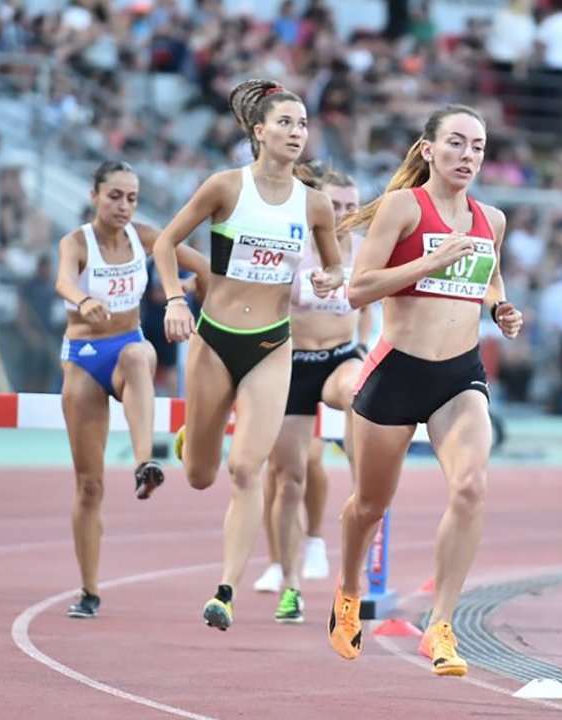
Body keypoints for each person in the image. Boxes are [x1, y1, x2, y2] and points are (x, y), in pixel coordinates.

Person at [326, 105, 524, 676]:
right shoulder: (403, 208)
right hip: (396, 373)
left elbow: (489, 279)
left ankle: (440, 626)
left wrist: (500, 308)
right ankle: (349, 588)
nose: (468, 155)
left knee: (471, 487)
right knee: (369, 505)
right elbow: (359, 290)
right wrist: (428, 262)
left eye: (478, 147)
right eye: (456, 143)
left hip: (458, 376)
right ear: (428, 149)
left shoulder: (492, 219)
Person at [151, 80, 345, 631]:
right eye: (285, 122)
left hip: (271, 345)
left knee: (245, 470)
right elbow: (164, 243)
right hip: (214, 340)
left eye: (303, 124)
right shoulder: (225, 187)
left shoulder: (314, 204)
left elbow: (333, 265)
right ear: (259, 131)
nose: (296, 132)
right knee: (200, 475)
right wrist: (175, 300)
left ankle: (225, 591)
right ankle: (194, 437)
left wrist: (330, 278)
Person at [54, 160, 210, 619]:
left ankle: (145, 462)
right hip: (84, 356)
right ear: (94, 196)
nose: (124, 206)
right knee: (89, 485)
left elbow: (204, 266)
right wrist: (83, 299)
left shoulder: (146, 238)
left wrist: (190, 290)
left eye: (132, 198)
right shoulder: (76, 242)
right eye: (115, 196)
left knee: (141, 355)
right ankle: (89, 590)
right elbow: (63, 280)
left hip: (127, 350)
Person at [253, 169, 374, 624]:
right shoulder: (294, 247)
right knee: (289, 479)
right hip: (293, 364)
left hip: (340, 358)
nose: (343, 214)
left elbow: (370, 304)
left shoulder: (364, 250)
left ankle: (367, 492)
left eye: (350, 206)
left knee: (361, 387)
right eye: (335, 205)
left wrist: (363, 344)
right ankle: (290, 584)